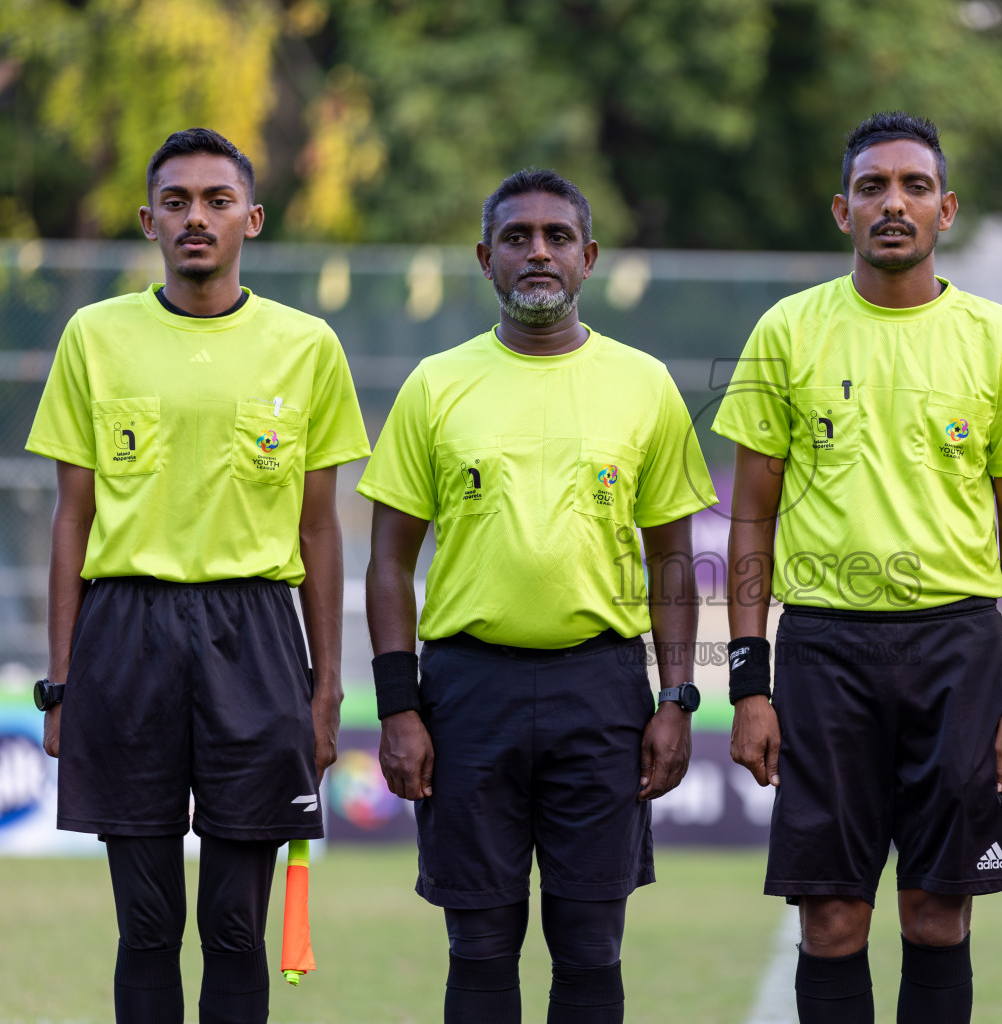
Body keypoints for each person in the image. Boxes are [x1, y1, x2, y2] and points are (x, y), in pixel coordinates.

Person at [712, 112, 1002, 1024]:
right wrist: (749, 682)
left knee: (937, 914)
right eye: (873, 187)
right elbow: (749, 516)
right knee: (830, 915)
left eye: (914, 187)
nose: (894, 204)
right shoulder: (787, 332)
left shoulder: (996, 338)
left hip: (959, 648)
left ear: (946, 209)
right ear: (842, 210)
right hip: (825, 651)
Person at [25, 127, 371, 1023]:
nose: (196, 218)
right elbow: (74, 517)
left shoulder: (308, 346)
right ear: (148, 221)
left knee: (233, 928)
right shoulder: (94, 337)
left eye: (218, 201)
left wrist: (327, 688)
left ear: (251, 219)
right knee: (145, 925)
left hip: (254, 636)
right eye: (176, 201)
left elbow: (320, 530)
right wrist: (60, 682)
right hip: (124, 634)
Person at [360, 168, 717, 1024]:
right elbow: (387, 563)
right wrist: (398, 709)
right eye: (517, 238)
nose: (539, 252)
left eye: (558, 237)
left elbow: (673, 560)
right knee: (478, 950)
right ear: (486, 259)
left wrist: (675, 700)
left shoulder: (644, 385)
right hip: (465, 692)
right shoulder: (436, 385)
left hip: (599, 692)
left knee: (590, 951)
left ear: (588, 258)